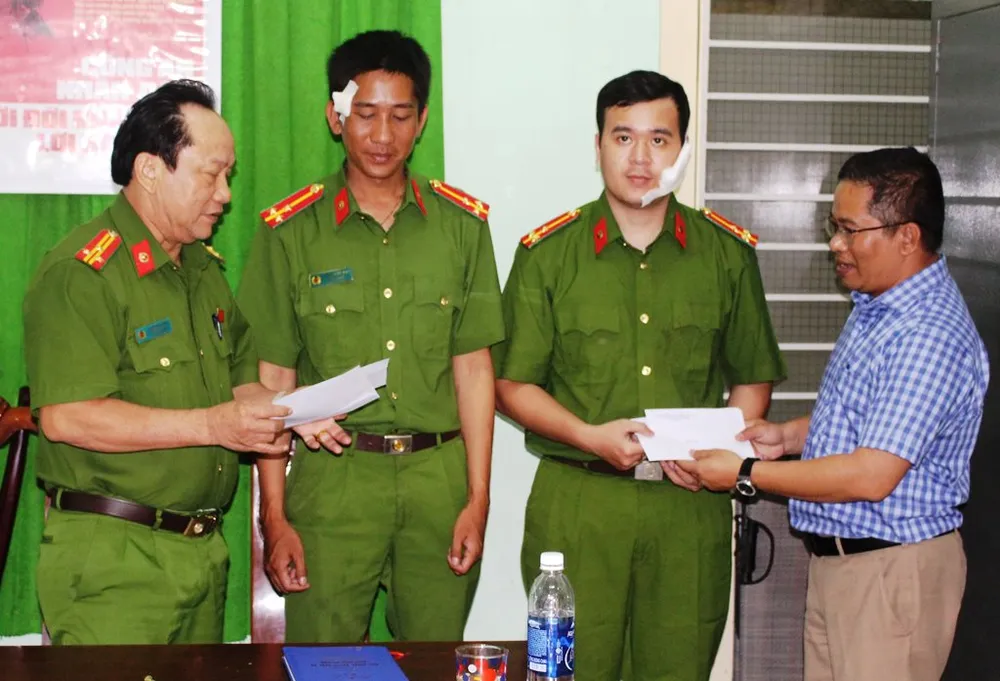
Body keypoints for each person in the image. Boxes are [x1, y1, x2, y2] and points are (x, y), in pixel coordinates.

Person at [492, 70, 786, 681]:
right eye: (623, 137)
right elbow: (511, 384)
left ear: (681, 149)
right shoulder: (548, 254)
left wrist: (721, 451)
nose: (640, 158)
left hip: (689, 503)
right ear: (598, 145)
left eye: (659, 139)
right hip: (579, 500)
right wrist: (588, 435)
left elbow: (753, 375)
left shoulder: (726, 254)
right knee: (572, 671)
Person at [238, 30, 505, 643]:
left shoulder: (463, 228)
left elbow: (474, 369)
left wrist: (478, 498)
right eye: (365, 114)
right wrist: (273, 516)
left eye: (400, 115)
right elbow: (273, 379)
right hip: (334, 484)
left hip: (438, 481)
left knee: (433, 661)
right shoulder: (290, 231)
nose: (382, 134)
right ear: (336, 117)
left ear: (422, 121)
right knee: (324, 666)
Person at [683, 148, 989, 681]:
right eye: (834, 226)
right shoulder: (879, 307)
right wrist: (788, 436)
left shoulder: (927, 333)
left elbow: (871, 475)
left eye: (850, 230)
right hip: (845, 568)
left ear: (907, 237)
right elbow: (868, 418)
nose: (835, 244)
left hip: (891, 573)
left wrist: (745, 474)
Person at [23, 79, 292, 645]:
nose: (225, 195)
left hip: (199, 554)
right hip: (115, 562)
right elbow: (67, 417)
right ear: (149, 169)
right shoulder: (83, 272)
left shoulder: (201, 270)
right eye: (211, 175)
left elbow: (242, 381)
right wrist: (213, 426)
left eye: (228, 175)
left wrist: (296, 412)